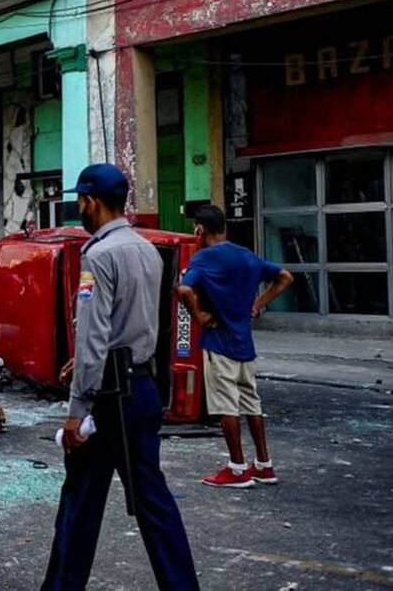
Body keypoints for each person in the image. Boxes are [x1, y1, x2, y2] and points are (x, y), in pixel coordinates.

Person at [42, 164, 199, 591]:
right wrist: (95, 363)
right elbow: (139, 324)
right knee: (153, 503)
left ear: (90, 201)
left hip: (109, 398)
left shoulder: (99, 254)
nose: (79, 208)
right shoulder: (147, 249)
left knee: (80, 502)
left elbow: (93, 335)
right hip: (141, 388)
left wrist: (77, 410)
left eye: (80, 200)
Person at [177, 204, 294, 488]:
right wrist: (257, 304)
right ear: (225, 228)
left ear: (200, 229)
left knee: (226, 406)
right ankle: (264, 464)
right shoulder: (247, 256)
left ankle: (237, 467)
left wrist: (200, 317)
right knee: (252, 403)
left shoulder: (204, 258)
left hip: (219, 343)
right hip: (245, 343)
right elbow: (285, 277)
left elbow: (183, 289)